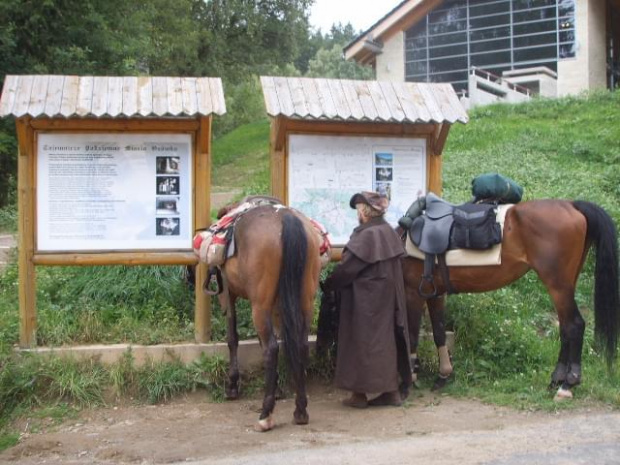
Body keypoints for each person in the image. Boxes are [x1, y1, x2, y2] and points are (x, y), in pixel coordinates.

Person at [322, 191, 412, 408]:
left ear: (364, 212)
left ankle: (359, 395)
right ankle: (391, 392)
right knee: (385, 341)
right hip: (388, 301)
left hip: (364, 301)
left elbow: (348, 269)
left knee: (358, 341)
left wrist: (329, 283)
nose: (357, 213)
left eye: (359, 209)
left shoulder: (367, 236)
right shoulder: (388, 232)